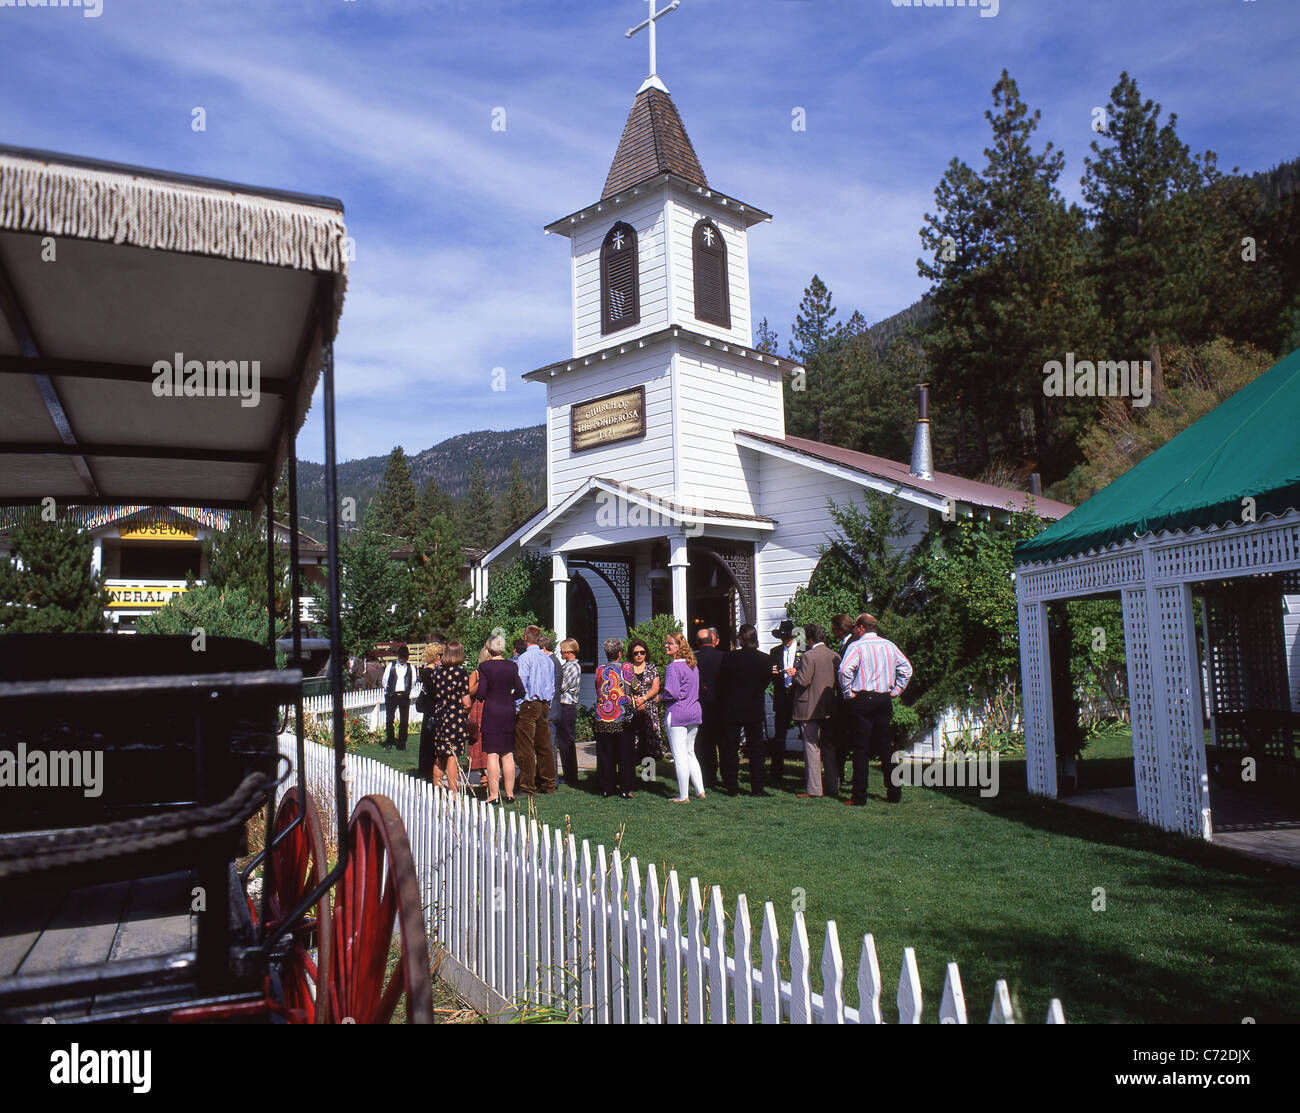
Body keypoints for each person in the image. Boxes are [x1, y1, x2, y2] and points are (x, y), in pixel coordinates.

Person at [839, 613, 913, 806]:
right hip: (883, 699)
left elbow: (844, 670)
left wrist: (848, 693)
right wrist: (896, 690)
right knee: (885, 747)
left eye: (855, 626)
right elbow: (906, 668)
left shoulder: (857, 646)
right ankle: (894, 793)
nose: (854, 629)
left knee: (860, 748)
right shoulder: (889, 645)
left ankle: (859, 797)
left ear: (861, 627)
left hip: (862, 699)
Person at [715, 623, 775, 796]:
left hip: (732, 708)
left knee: (731, 748)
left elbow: (722, 683)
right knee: (756, 749)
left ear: (740, 639)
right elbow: (765, 682)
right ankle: (757, 788)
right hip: (754, 707)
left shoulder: (729, 658)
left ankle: (732, 787)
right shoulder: (765, 660)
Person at [791, 624, 841, 798]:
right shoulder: (835, 655)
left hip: (809, 707)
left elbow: (803, 680)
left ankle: (814, 788)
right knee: (829, 747)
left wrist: (794, 675)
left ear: (810, 638)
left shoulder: (808, 656)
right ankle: (834, 786)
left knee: (811, 747)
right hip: (829, 707)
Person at [474, 634, 524, 804]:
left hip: (492, 712)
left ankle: (494, 795)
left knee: (492, 754)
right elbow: (521, 691)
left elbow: (481, 693)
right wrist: (509, 698)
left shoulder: (485, 667)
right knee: (508, 754)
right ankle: (509, 794)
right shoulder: (512, 666)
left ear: (489, 648)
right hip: (508, 710)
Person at [513, 625, 557, 795]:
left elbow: (521, 685)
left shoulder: (524, 658)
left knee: (525, 746)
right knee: (544, 745)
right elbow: (552, 685)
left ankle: (527, 785)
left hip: (529, 703)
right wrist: (548, 704)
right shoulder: (547, 659)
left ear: (525, 637)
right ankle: (548, 784)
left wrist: (517, 705)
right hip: (544, 703)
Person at [662, 632, 705, 802]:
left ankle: (683, 796)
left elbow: (671, 693)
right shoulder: (692, 665)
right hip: (694, 711)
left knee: (679, 756)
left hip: (678, 713)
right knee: (690, 753)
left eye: (669, 643)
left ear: (678, 647)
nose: (666, 646)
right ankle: (700, 791)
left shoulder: (673, 667)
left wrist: (660, 697)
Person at [593, 638, 636, 798]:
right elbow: (635, 687)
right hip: (622, 717)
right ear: (620, 653)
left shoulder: (599, 670)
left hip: (603, 716)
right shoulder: (627, 668)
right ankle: (625, 788)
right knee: (625, 754)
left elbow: (597, 688)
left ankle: (606, 787)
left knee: (606, 753)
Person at [425, 642, 470, 793]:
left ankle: (436, 788)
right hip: (455, 718)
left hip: (440, 716)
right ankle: (453, 793)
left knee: (440, 755)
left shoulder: (437, 672)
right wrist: (466, 708)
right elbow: (466, 701)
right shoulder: (461, 673)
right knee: (452, 755)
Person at [767, 620, 802, 788]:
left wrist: (797, 672)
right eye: (782, 638)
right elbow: (771, 674)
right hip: (781, 697)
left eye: (787, 638)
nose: (785, 641)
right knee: (779, 735)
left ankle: (809, 771)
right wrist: (772, 672)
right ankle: (776, 770)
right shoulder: (774, 652)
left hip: (798, 696)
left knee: (805, 732)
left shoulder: (804, 652)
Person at [693, 626, 725, 789]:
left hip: (700, 705)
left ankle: (706, 776)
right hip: (721, 705)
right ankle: (726, 776)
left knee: (704, 744)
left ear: (698, 643)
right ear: (713, 641)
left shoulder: (693, 659)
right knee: (723, 743)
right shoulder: (724, 657)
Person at [625, 638, 663, 762]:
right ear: (631, 654)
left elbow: (655, 687)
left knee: (649, 745)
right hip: (632, 710)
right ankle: (633, 778)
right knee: (632, 746)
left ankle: (649, 777)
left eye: (642, 652)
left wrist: (643, 699)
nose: (639, 655)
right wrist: (634, 701)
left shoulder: (651, 668)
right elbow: (624, 687)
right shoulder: (627, 669)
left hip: (649, 711)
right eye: (636, 653)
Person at [553, 638, 582, 788]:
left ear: (569, 651)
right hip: (565, 706)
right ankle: (570, 773)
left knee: (566, 741)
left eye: (563, 649)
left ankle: (571, 775)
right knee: (565, 741)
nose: (561, 652)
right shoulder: (568, 666)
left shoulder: (572, 667)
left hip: (567, 706)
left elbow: (562, 686)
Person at [416, 642, 445, 779]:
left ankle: (428, 771)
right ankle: (427, 771)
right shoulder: (429, 671)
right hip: (431, 708)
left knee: (430, 740)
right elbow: (435, 691)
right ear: (436, 655)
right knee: (429, 741)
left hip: (431, 708)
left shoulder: (432, 670)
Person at [381, 644, 417, 751]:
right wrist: (390, 691)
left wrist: (406, 691)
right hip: (392, 696)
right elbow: (384, 681)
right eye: (401, 657)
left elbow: (413, 681)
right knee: (389, 720)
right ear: (397, 656)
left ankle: (402, 743)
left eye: (405, 657)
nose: (402, 659)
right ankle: (390, 740)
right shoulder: (390, 666)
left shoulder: (411, 668)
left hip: (404, 696)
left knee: (404, 721)